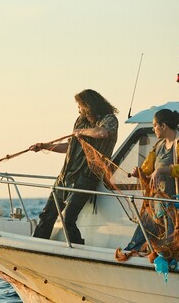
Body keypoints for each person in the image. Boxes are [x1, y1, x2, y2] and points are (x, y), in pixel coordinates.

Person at [30, 89, 119, 244]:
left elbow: (102, 133)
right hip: (65, 176)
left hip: (86, 177)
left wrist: (81, 132)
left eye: (80, 105)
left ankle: (78, 249)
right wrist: (45, 146)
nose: (78, 109)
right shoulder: (80, 121)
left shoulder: (109, 119)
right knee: (47, 215)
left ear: (88, 105)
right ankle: (37, 245)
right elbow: (69, 147)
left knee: (68, 218)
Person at [124, 109, 179, 252]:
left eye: (155, 125)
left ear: (163, 126)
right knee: (141, 236)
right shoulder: (159, 146)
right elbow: (147, 168)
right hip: (156, 204)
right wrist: (138, 173)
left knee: (175, 245)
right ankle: (130, 255)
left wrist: (163, 170)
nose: (153, 129)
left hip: (176, 206)